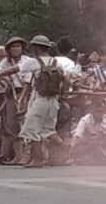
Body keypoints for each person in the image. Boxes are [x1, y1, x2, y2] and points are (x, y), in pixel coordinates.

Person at [17, 35, 72, 168]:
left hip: (39, 99)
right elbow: (67, 79)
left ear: (36, 47)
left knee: (32, 128)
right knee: (48, 129)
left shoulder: (33, 62)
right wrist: (63, 94)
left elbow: (16, 69)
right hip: (53, 100)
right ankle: (67, 146)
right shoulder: (56, 62)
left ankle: (37, 159)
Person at [0, 37, 32, 164]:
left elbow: (28, 80)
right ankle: (18, 155)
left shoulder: (28, 61)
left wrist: (22, 98)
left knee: (25, 123)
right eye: (13, 47)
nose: (15, 49)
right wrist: (6, 79)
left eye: (18, 46)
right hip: (10, 94)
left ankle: (27, 154)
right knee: (12, 124)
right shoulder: (5, 62)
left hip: (25, 93)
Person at [71, 100, 106, 164]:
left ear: (104, 111)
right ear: (91, 111)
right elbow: (77, 136)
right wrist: (72, 147)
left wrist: (105, 137)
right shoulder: (85, 120)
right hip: (88, 148)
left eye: (99, 111)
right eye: (95, 111)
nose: (97, 114)